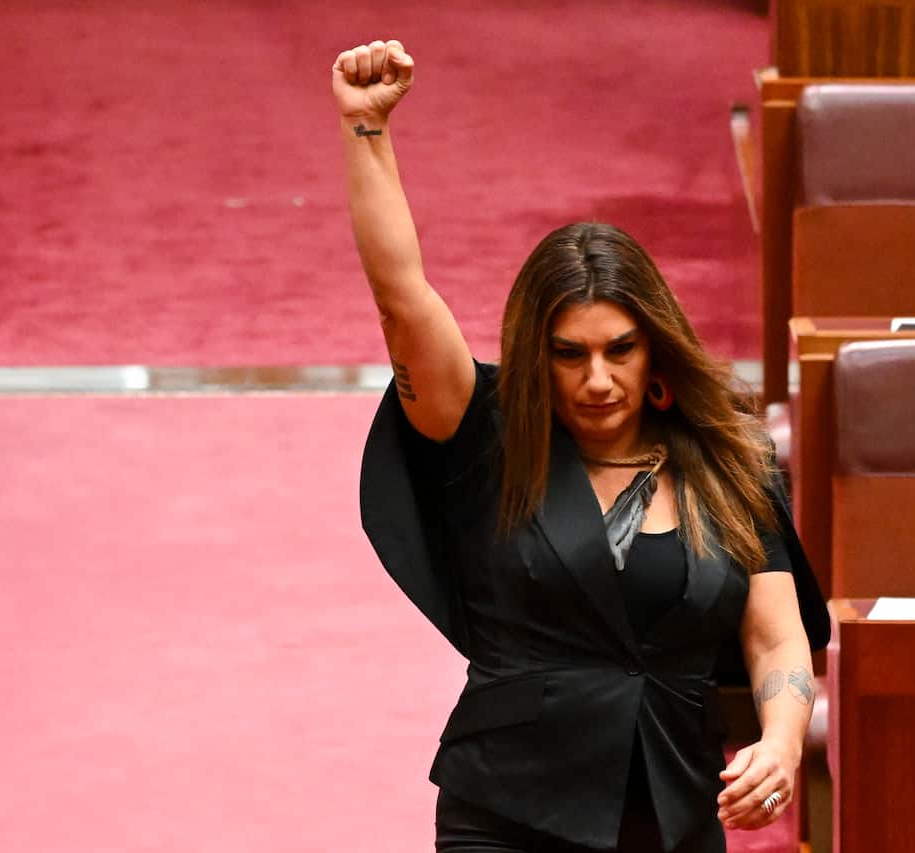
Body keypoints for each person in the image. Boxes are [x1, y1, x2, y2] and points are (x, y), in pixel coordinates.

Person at [335, 39, 829, 853]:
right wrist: (367, 130)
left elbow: (777, 634)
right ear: (539, 355)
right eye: (570, 355)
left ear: (655, 347)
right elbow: (401, 296)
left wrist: (778, 739)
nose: (598, 379)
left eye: (620, 350)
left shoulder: (726, 457)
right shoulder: (487, 435)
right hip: (505, 815)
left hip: (672, 813)